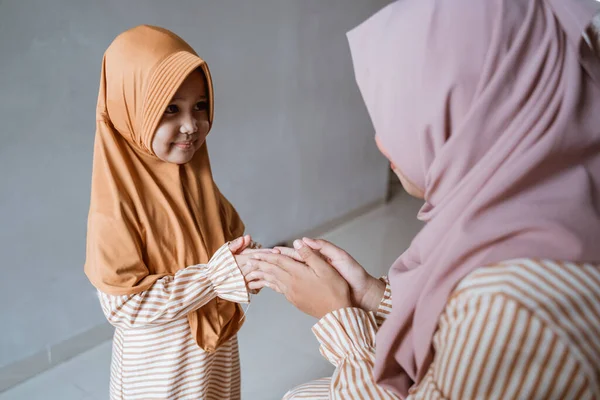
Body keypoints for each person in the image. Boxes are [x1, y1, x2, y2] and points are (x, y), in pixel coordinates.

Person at [244, 0, 600, 398]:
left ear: (470, 114)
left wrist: (338, 317)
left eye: (399, 117)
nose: (380, 142)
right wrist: (371, 295)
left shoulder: (516, 310)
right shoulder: (535, 211)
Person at [84, 25, 261, 400]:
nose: (190, 126)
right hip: (160, 374)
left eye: (200, 106)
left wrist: (252, 267)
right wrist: (217, 277)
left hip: (213, 361)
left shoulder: (198, 183)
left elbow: (231, 250)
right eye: (169, 109)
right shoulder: (115, 210)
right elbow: (126, 307)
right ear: (129, 112)